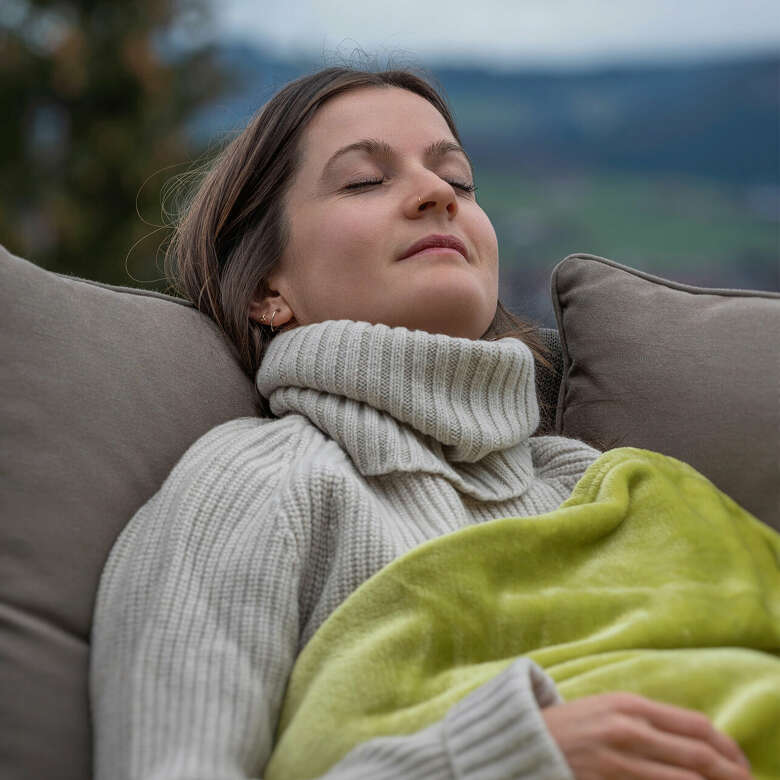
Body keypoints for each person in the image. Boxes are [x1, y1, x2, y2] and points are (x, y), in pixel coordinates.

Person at [88, 65, 752, 779]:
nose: (438, 194)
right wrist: (500, 760)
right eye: (365, 180)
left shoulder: (603, 487)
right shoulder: (252, 488)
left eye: (460, 182)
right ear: (264, 288)